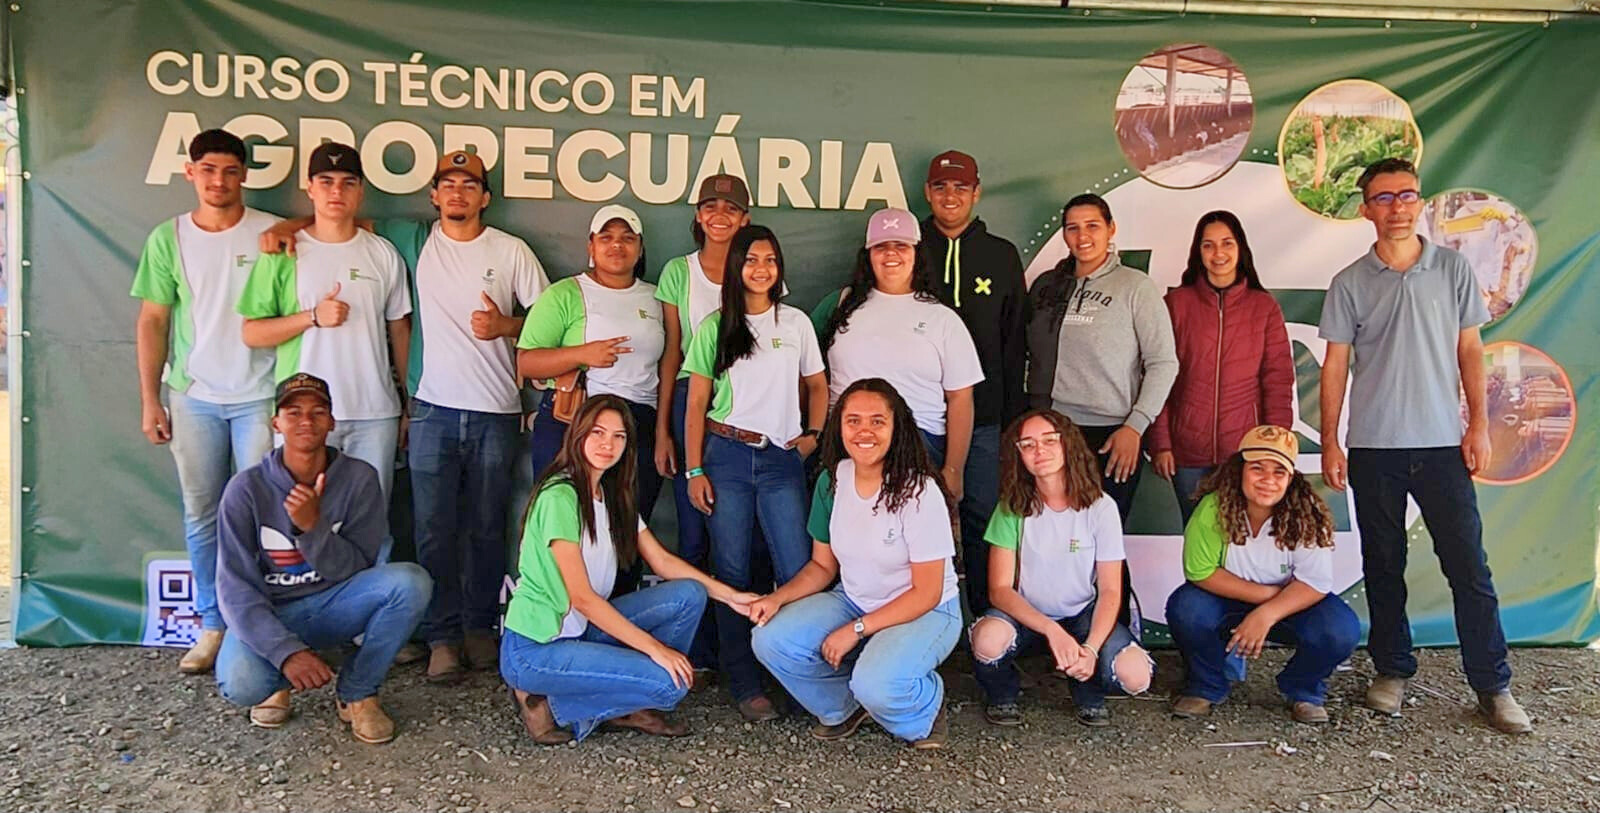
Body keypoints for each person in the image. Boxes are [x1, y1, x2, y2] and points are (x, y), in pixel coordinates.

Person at [1319, 158, 1530, 734]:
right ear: (1366, 210)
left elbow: (1471, 351)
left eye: (1406, 195)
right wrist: (1333, 442)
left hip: (1442, 444)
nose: (1396, 206)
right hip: (1373, 447)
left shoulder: (1454, 271)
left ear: (1419, 203)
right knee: (1383, 565)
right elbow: (1335, 366)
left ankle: (1493, 685)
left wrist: (1479, 425)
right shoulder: (1350, 282)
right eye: (1383, 198)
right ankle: (1391, 671)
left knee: (1468, 568)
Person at [499, 394, 759, 744]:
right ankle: (547, 700)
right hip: (536, 648)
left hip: (580, 631)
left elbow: (663, 562)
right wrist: (656, 649)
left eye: (618, 436)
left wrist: (732, 597)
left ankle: (620, 697)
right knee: (669, 685)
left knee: (689, 594)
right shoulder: (560, 496)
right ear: (578, 434)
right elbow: (583, 599)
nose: (608, 444)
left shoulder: (610, 495)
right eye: (598, 433)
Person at [131, 128, 281, 675]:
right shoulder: (168, 237)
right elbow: (153, 319)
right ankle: (212, 622)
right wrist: (151, 399)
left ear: (244, 175)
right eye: (208, 170)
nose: (219, 181)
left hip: (260, 396)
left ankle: (261, 625)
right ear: (190, 173)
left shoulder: (273, 232)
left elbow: (341, 232)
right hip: (193, 397)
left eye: (230, 171)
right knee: (202, 515)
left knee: (264, 516)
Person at [214, 373, 432, 744]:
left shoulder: (358, 478)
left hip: (334, 603)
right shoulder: (245, 488)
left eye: (318, 412)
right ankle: (280, 680)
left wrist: (312, 528)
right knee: (240, 684)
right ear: (276, 423)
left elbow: (357, 568)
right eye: (293, 412)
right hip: (274, 610)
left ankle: (358, 691)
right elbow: (235, 589)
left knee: (410, 583)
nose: (306, 421)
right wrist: (286, 654)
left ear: (332, 422)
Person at [750, 378, 962, 749]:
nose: (865, 431)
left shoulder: (919, 490)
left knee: (878, 684)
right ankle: (845, 707)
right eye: (854, 421)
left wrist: (857, 630)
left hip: (927, 610)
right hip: (855, 597)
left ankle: (923, 705)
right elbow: (821, 568)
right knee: (770, 638)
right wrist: (777, 599)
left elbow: (927, 592)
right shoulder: (832, 481)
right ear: (839, 427)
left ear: (897, 428)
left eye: (878, 421)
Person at [682, 224, 828, 721]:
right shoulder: (715, 325)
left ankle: (799, 674)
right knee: (732, 572)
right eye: (750, 260)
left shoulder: (797, 324)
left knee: (797, 568)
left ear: (779, 267)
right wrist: (694, 468)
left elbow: (818, 385)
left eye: (769, 259)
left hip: (781, 460)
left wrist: (813, 435)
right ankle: (744, 684)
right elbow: (697, 401)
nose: (760, 269)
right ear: (736, 267)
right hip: (725, 455)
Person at [238, 142, 413, 506]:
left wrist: (408, 403)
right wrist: (312, 317)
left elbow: (400, 330)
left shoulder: (382, 253)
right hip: (306, 416)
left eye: (348, 182)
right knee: (301, 520)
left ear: (361, 191)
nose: (337, 191)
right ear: (310, 187)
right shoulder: (284, 252)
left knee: (371, 523)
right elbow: (251, 332)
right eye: (327, 181)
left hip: (374, 413)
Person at [1166, 426, 1360, 724]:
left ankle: (1304, 690)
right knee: (1186, 607)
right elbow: (1199, 571)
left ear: (1291, 478)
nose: (1268, 480)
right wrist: (1266, 600)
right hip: (1231, 599)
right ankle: (1206, 685)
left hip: (1290, 604)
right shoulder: (1213, 508)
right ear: (1239, 470)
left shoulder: (1306, 516)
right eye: (1257, 469)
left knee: (1340, 629)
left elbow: (1315, 583)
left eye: (1279, 472)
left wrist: (1267, 614)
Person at [970, 409, 1151, 727]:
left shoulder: (1101, 507)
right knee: (988, 640)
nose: (1039, 451)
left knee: (1135, 676)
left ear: (1068, 444)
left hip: (1081, 612)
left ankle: (1087, 688)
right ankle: (1002, 693)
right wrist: (1052, 630)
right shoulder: (1012, 507)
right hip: (1026, 613)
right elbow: (999, 590)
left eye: (1049, 440)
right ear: (1019, 456)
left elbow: (1110, 590)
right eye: (1027, 445)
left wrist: (1092, 648)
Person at [917, 150, 1027, 618]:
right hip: (916, 419)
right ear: (927, 193)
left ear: (976, 193)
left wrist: (1011, 421)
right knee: (912, 526)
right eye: (941, 187)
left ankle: (986, 628)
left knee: (983, 521)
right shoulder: (908, 248)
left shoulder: (1000, 255)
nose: (950, 196)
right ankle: (919, 626)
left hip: (982, 419)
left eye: (961, 188)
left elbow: (1015, 340)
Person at [813, 208, 983, 504]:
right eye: (881, 246)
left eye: (901, 245)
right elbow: (806, 370)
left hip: (920, 442)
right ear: (868, 254)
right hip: (847, 439)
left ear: (917, 253)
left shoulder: (942, 319)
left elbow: (960, 398)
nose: (891, 254)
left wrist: (953, 469)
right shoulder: (840, 304)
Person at [653, 174, 754, 671]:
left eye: (730, 209)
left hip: (744, 415)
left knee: (736, 536)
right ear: (697, 216)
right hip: (690, 407)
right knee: (692, 534)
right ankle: (694, 649)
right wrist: (662, 429)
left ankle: (739, 647)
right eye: (710, 207)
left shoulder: (756, 268)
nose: (719, 216)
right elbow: (672, 353)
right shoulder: (679, 271)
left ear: (745, 219)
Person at [1025, 193, 1177, 523]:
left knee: (1103, 541)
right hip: (1057, 431)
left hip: (1113, 434)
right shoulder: (1048, 287)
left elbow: (1163, 362)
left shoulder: (1136, 287)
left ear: (1111, 229)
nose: (1083, 236)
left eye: (1092, 226)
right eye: (1073, 228)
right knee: (1058, 536)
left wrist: (1134, 428)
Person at [517, 204, 666, 533]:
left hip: (638, 423)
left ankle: (621, 587)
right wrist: (583, 354)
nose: (617, 245)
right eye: (606, 237)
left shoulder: (657, 297)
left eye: (627, 238)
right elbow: (526, 361)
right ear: (591, 246)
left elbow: (672, 365)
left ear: (640, 248)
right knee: (565, 526)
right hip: (575, 420)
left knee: (628, 529)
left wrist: (662, 430)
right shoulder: (565, 293)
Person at [1150, 211, 1293, 525]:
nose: (1219, 254)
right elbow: (1156, 378)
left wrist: (1274, 448)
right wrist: (1161, 444)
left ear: (1240, 248)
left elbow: (1278, 382)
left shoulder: (1263, 307)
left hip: (1246, 453)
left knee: (1242, 544)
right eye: (1208, 245)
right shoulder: (1176, 304)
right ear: (1198, 253)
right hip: (1186, 454)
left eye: (1227, 243)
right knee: (1199, 542)